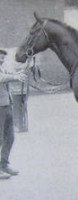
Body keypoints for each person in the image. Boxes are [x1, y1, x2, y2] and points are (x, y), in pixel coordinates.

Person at [0, 49, 27, 179]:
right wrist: (15, 77)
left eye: (3, 59)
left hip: (6, 106)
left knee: (10, 137)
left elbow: (9, 73)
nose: (1, 60)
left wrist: (20, 72)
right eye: (0, 58)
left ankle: (3, 165)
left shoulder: (2, 68)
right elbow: (2, 78)